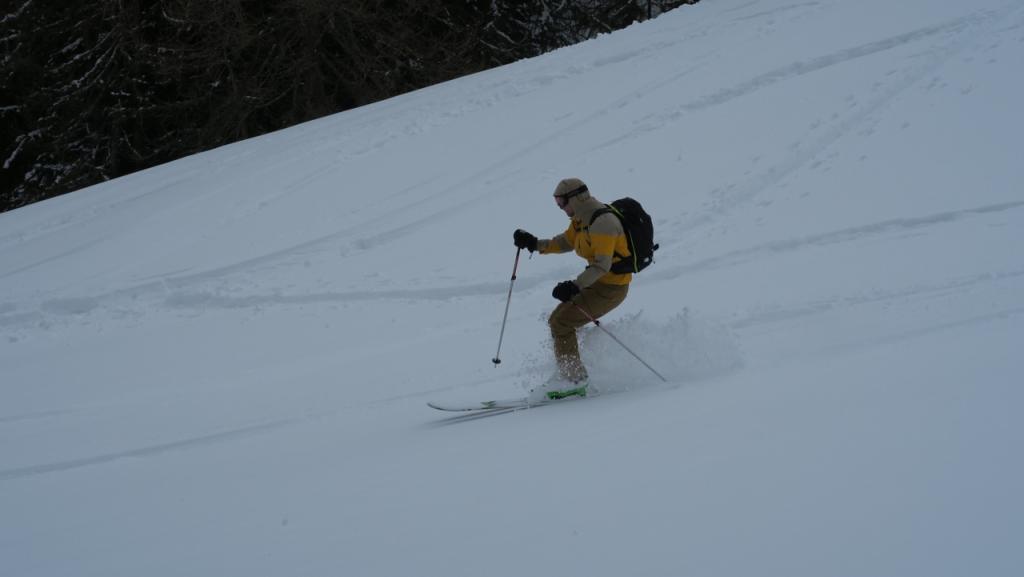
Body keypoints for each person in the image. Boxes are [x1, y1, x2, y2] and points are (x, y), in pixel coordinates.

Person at [513, 178, 632, 398]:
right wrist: (535, 244)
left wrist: (574, 286)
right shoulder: (580, 219)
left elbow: (602, 266)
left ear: (577, 198)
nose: (560, 207)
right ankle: (570, 373)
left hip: (611, 288)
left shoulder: (603, 222)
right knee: (557, 320)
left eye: (562, 202)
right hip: (597, 284)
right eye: (557, 202)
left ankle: (574, 380)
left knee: (562, 322)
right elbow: (566, 242)